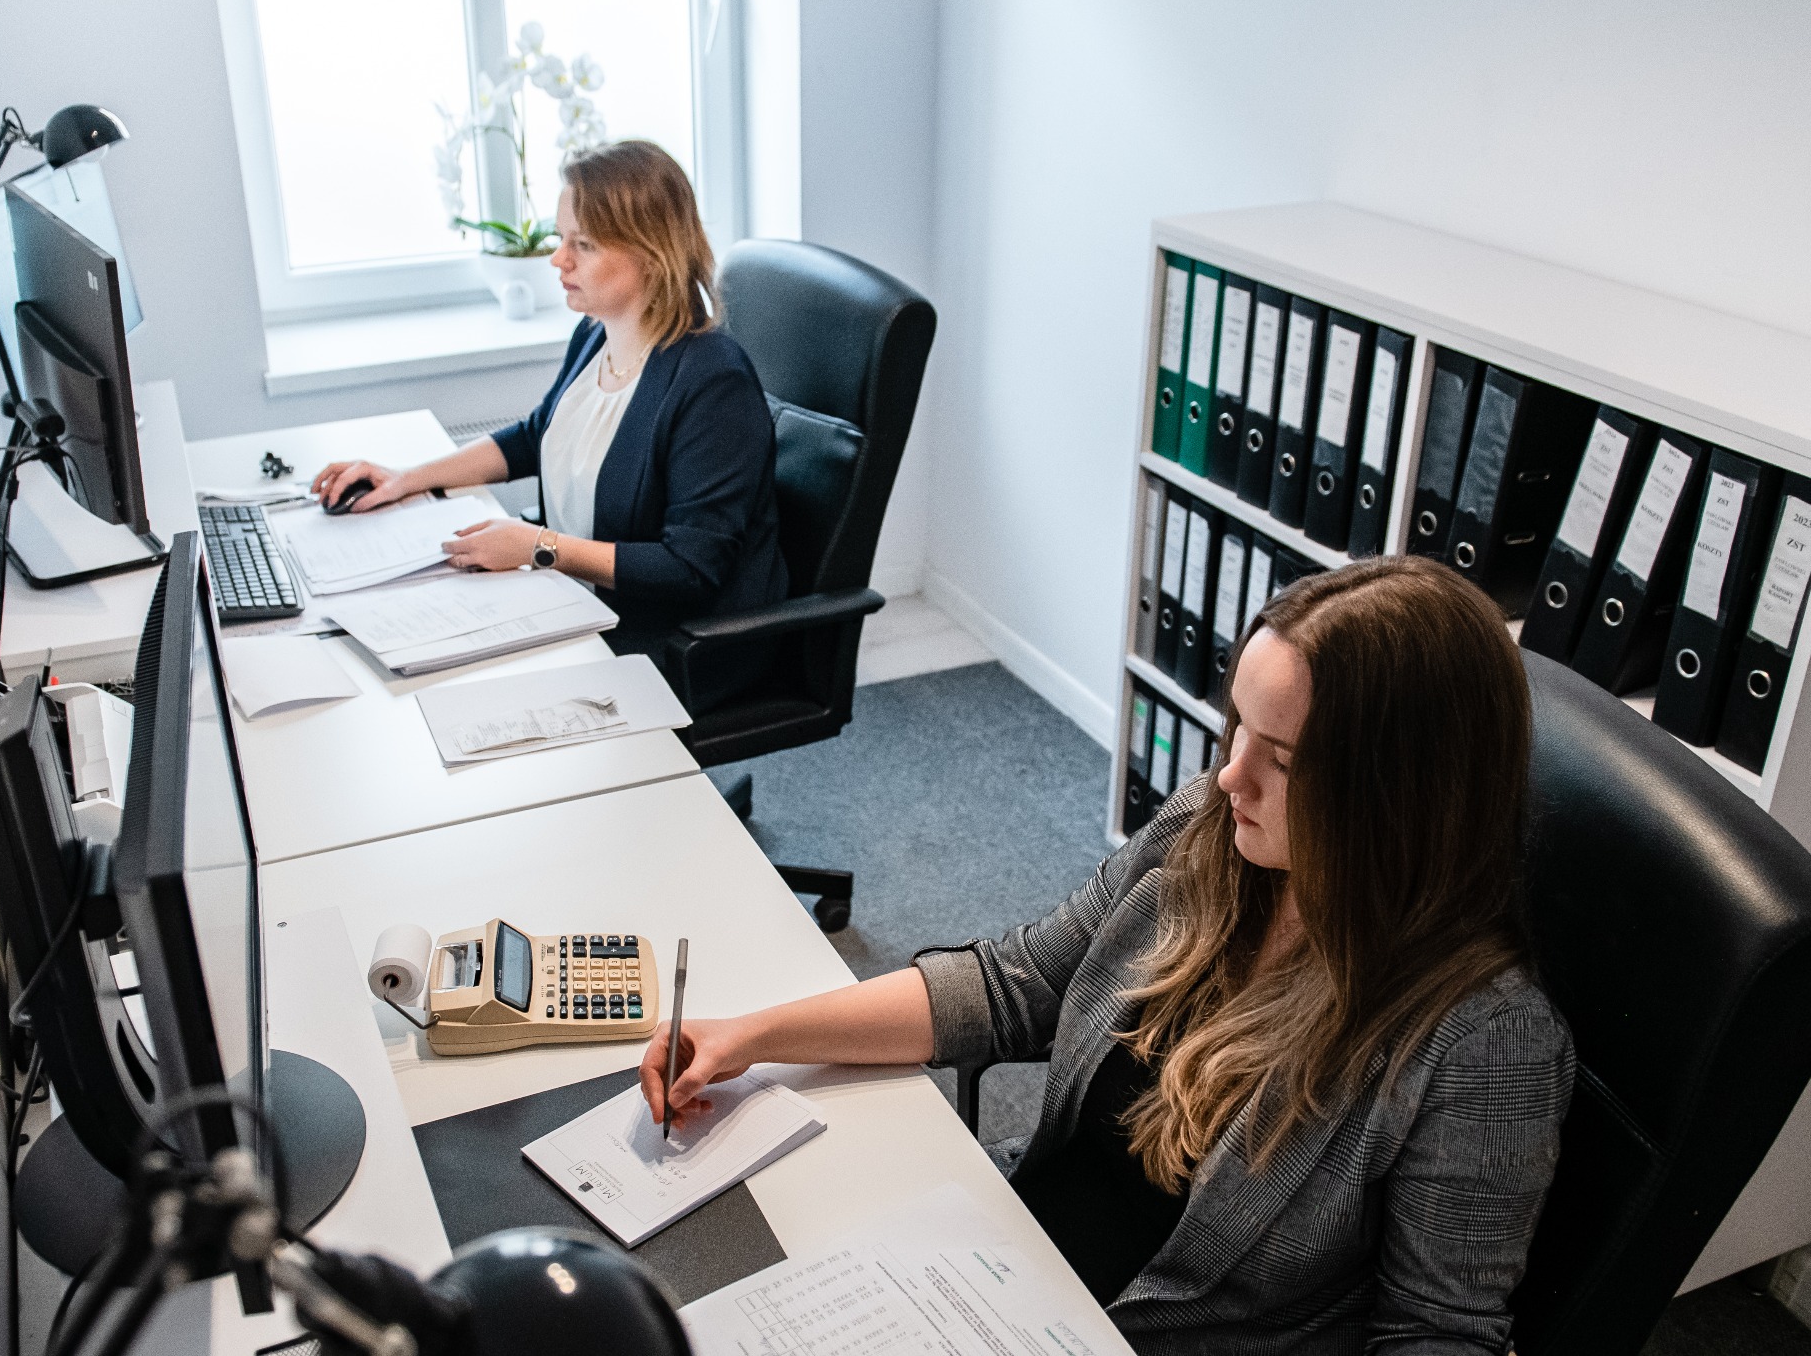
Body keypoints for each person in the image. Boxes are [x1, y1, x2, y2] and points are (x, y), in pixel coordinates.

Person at [640, 556, 1577, 1356]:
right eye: (1238, 727)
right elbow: (1014, 984)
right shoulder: (1209, 834)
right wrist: (751, 1035)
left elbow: (1434, 1334)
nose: (1230, 774)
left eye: (1285, 760)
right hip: (994, 1262)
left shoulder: (1484, 1041)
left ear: (1400, 797)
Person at [311, 139, 788, 710]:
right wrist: (407, 478)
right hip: (577, 602)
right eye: (561, 238)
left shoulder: (713, 381)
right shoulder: (597, 332)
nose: (558, 260)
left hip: (674, 644)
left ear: (651, 253)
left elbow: (689, 567)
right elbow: (539, 434)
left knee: (459, 700)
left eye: (582, 245)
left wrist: (538, 546)